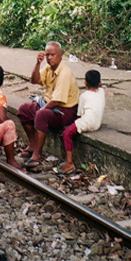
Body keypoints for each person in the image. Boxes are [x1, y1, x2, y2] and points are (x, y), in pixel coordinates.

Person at [17, 41, 79, 171]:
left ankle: (37, 155)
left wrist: (41, 109)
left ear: (60, 55)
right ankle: (32, 145)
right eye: (47, 55)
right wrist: (38, 63)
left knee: (41, 114)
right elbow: (34, 80)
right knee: (23, 110)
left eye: (53, 55)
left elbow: (56, 101)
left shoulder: (64, 73)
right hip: (49, 104)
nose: (49, 58)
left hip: (64, 111)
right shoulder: (49, 68)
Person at [57, 69, 105, 175]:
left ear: (85, 83)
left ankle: (69, 162)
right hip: (98, 122)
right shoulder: (102, 92)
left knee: (66, 134)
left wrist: (73, 124)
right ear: (100, 83)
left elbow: (79, 115)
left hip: (88, 122)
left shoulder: (84, 96)